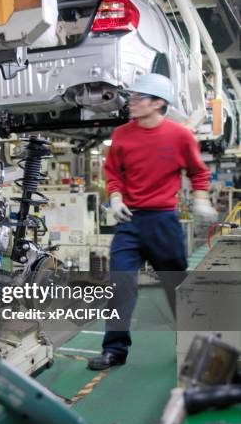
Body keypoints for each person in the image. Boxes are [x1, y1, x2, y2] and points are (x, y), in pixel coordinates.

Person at [88, 73, 217, 370]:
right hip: (129, 222)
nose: (130, 103)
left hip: (163, 222)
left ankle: (190, 345)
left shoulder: (180, 136)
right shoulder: (121, 135)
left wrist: (200, 199)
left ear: (159, 103)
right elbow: (114, 173)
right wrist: (116, 197)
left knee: (175, 286)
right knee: (121, 286)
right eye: (131, 97)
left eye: (138, 98)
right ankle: (115, 350)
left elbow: (198, 172)